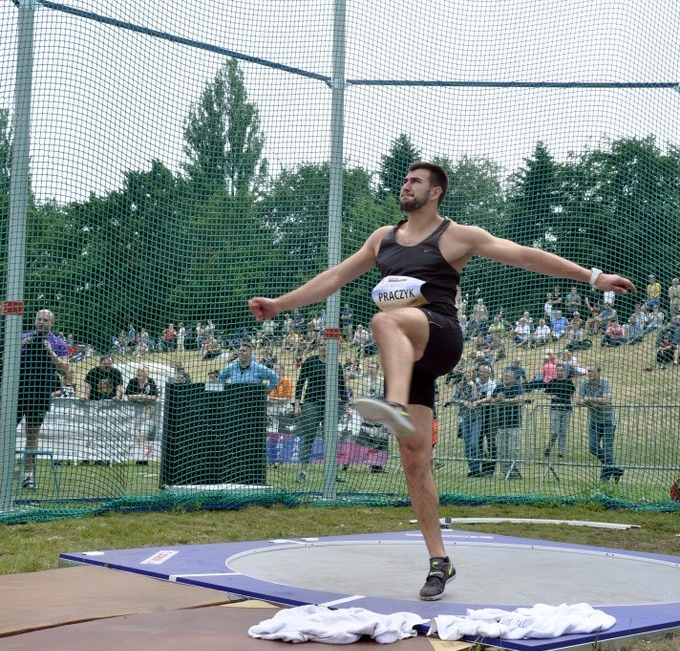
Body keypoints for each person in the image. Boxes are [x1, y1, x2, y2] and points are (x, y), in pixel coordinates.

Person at [248, 161, 633, 600]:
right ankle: (439, 561)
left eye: (415, 182)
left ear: (435, 193)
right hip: (409, 359)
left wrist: (592, 277)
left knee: (383, 322)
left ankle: (390, 404)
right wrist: (280, 305)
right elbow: (335, 277)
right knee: (415, 458)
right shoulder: (383, 238)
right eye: (404, 180)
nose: (405, 186)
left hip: (442, 338)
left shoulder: (456, 236)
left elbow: (525, 256)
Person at [10, 309, 69, 488]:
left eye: (45, 320)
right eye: (39, 319)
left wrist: (50, 352)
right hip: (18, 391)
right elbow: (6, 359)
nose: (42, 322)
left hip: (40, 393)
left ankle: (28, 477)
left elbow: (65, 370)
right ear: (35, 321)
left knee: (32, 435)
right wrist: (20, 344)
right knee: (4, 432)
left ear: (52, 323)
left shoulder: (58, 343)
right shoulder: (22, 336)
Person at [291, 340, 349, 482]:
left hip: (330, 406)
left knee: (330, 439)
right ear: (318, 347)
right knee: (309, 438)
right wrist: (297, 405)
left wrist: (347, 406)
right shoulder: (310, 362)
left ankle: (331, 473)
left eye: (327, 346)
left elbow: (342, 386)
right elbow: (300, 383)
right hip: (311, 403)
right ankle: (303, 472)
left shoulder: (336, 365)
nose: (324, 348)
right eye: (322, 345)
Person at [575, 365, 623, 481]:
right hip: (594, 421)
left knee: (608, 450)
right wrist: (591, 404)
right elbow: (577, 400)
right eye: (588, 371)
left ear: (598, 373)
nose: (590, 373)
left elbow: (606, 400)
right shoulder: (584, 383)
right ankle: (615, 468)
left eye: (592, 371)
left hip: (608, 420)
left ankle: (604, 480)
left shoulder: (605, 382)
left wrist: (588, 399)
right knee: (593, 447)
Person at [491, 368, 525, 479]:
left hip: (514, 423)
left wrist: (504, 400)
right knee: (501, 450)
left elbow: (519, 399)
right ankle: (506, 472)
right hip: (501, 423)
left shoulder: (517, 386)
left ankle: (514, 472)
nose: (506, 378)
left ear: (514, 378)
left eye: (509, 377)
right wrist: (497, 399)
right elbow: (491, 399)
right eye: (505, 376)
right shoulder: (499, 387)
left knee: (512, 449)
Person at [543, 362, 576, 459]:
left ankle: (560, 453)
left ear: (564, 371)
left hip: (567, 410)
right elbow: (546, 394)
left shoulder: (569, 382)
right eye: (558, 370)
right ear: (555, 371)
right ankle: (549, 448)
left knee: (563, 432)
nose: (560, 372)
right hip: (555, 409)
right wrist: (551, 397)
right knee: (555, 432)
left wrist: (577, 401)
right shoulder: (552, 382)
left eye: (562, 371)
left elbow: (573, 394)